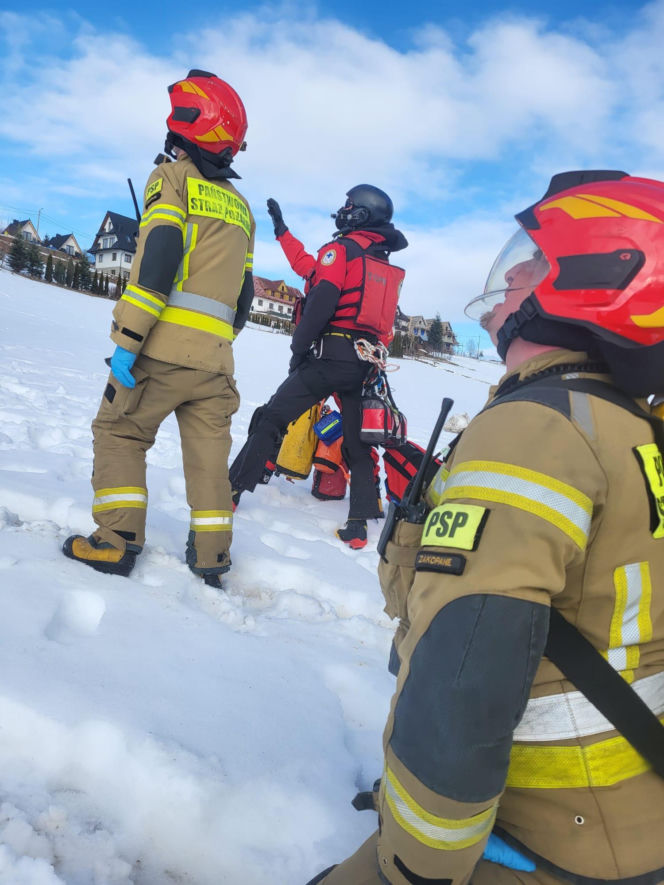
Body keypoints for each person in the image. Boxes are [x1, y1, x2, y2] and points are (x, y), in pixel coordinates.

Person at [305, 170, 664, 884]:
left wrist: (421, 858)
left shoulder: (536, 428)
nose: (512, 273)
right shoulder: (631, 431)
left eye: (532, 259)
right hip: (633, 812)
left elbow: (466, 668)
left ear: (594, 274)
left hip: (550, 828)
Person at [63, 69, 255, 589]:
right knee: (209, 460)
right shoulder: (241, 209)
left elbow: (157, 265)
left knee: (119, 432)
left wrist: (128, 340)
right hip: (217, 363)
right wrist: (215, 343)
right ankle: (212, 557)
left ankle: (116, 542)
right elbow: (244, 296)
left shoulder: (170, 179)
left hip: (159, 353)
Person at [230, 185, 407, 549]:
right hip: (364, 367)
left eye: (347, 206)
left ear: (359, 214)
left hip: (328, 359)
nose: (341, 210)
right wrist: (281, 229)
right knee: (359, 445)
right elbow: (307, 267)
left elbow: (322, 299)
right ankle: (358, 524)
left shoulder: (340, 250)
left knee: (271, 418)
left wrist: (298, 350)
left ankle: (230, 491)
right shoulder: (379, 264)